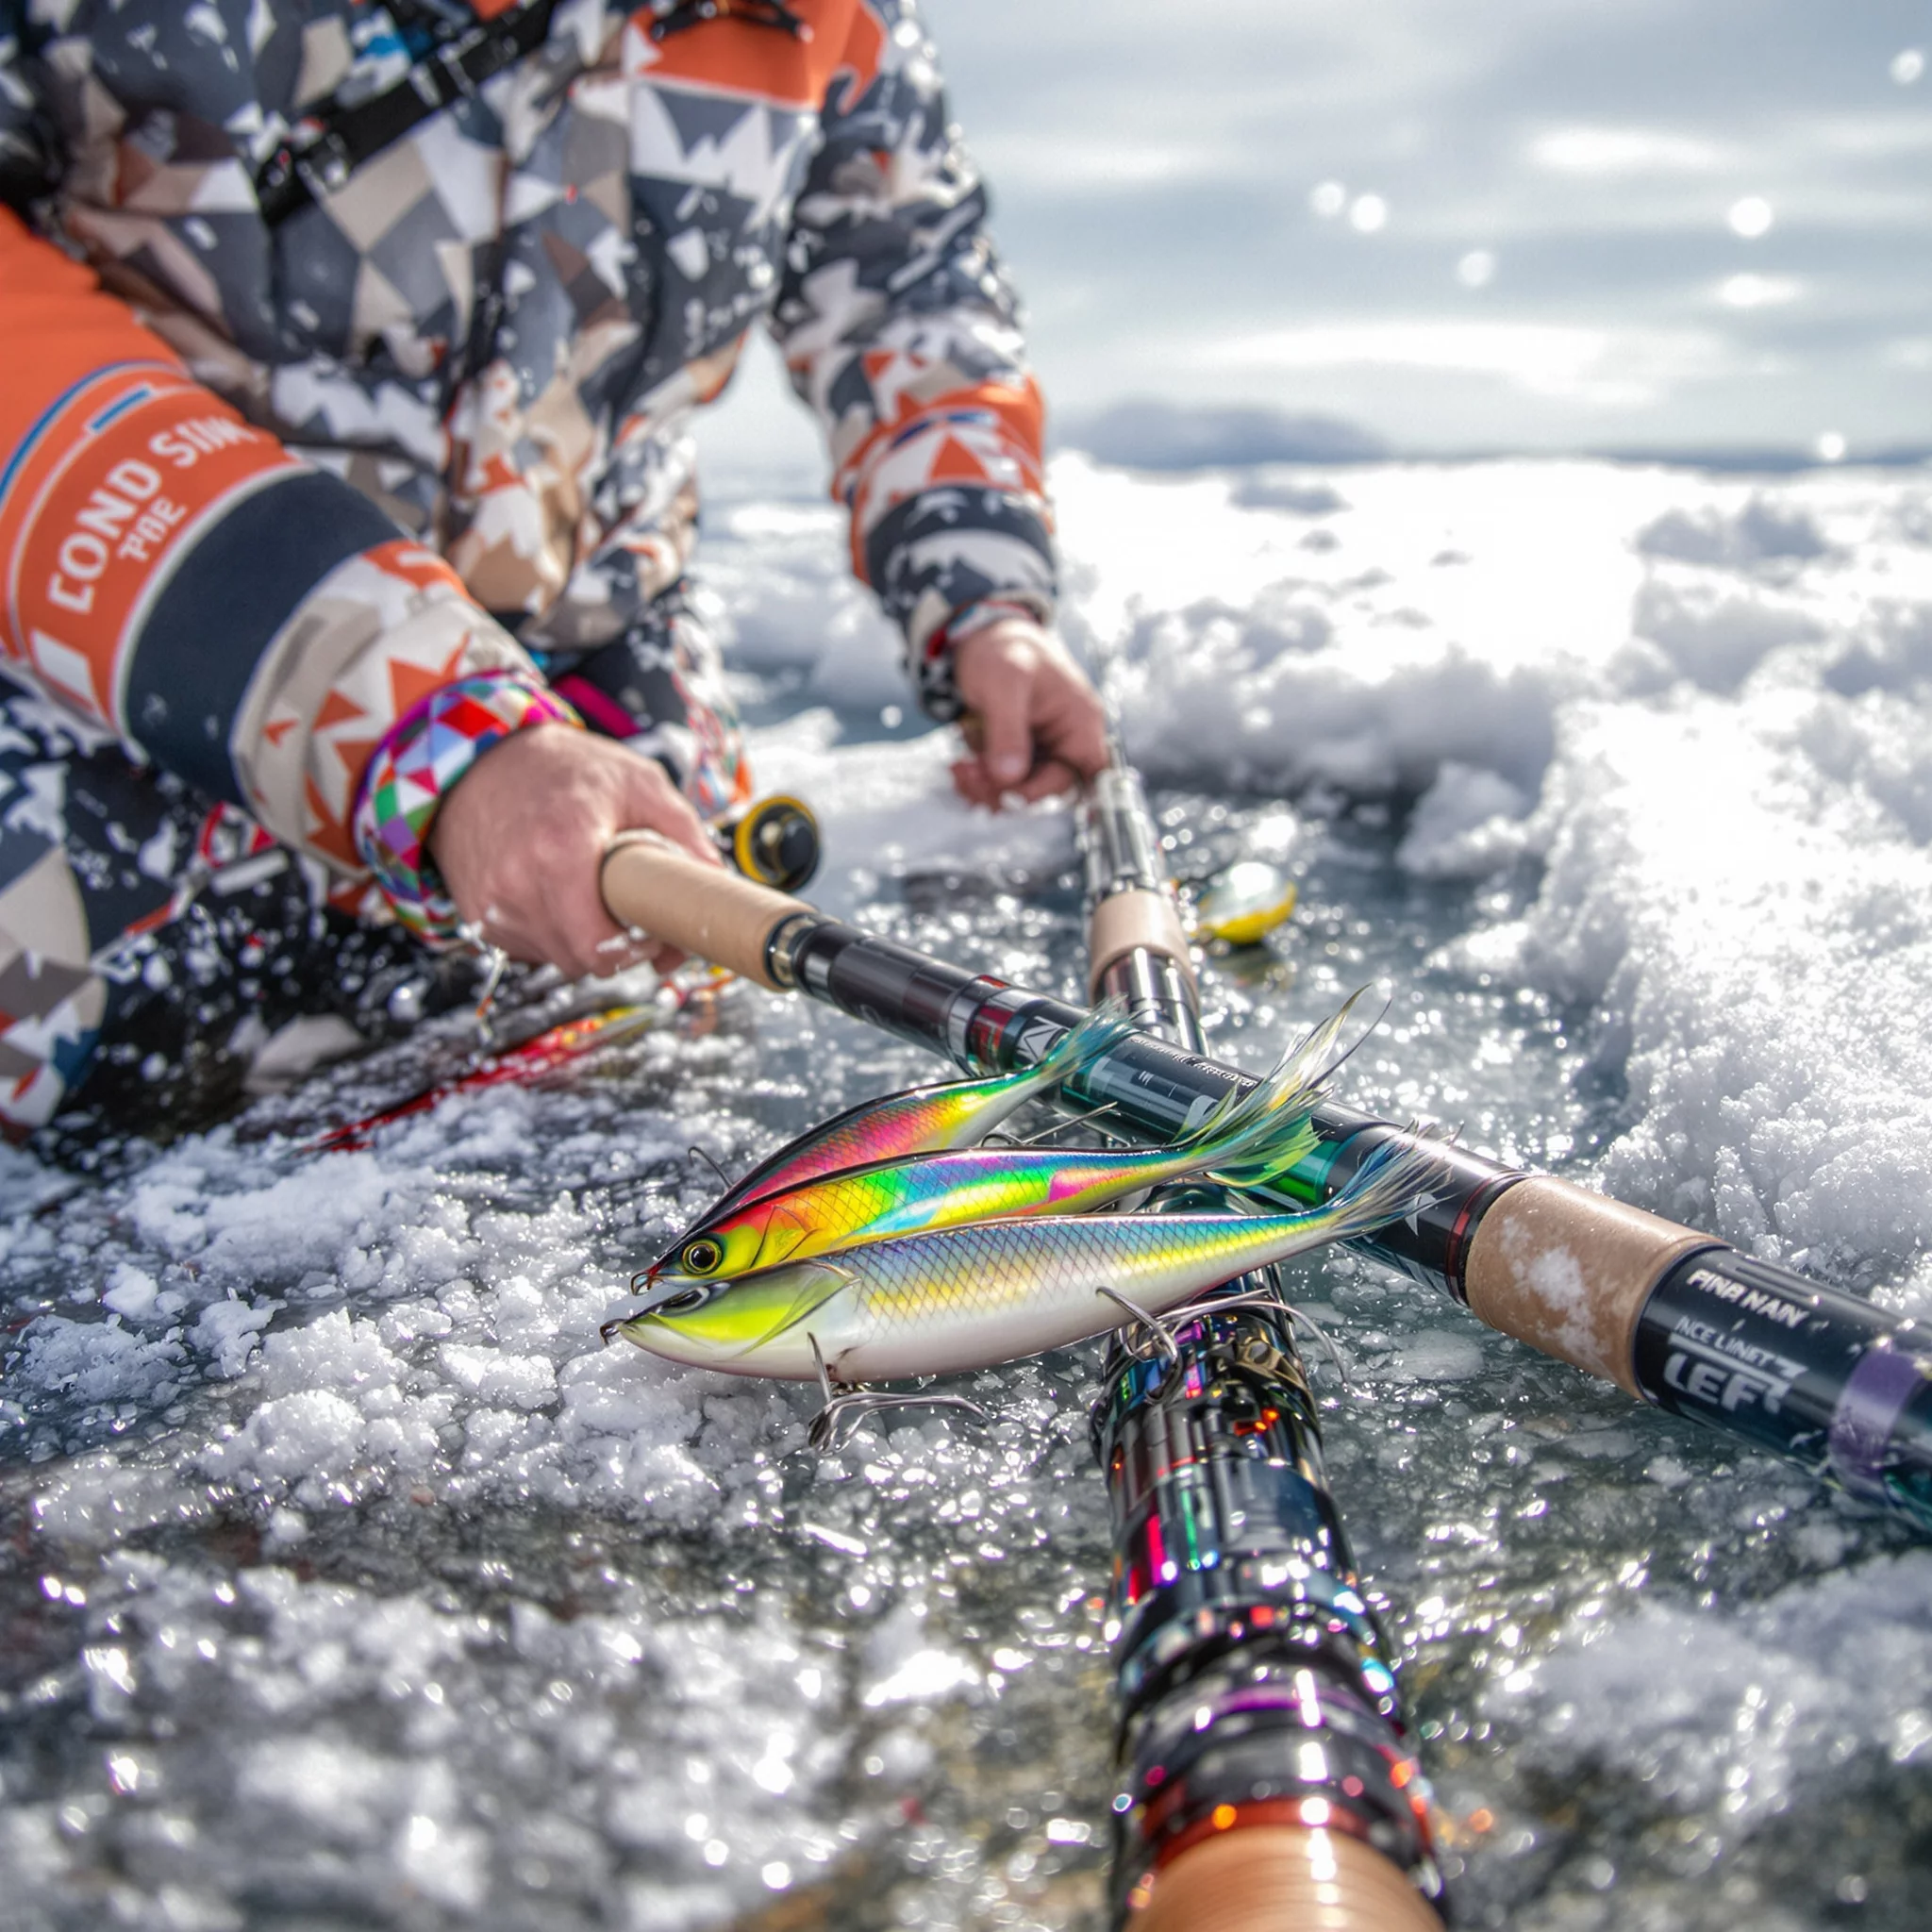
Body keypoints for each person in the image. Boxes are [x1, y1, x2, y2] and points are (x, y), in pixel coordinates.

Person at [0, 0, 1108, 1144]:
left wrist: (983, 599)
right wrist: (437, 723)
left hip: (611, 760)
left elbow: (912, 293)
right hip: (131, 714)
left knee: (641, 1136)